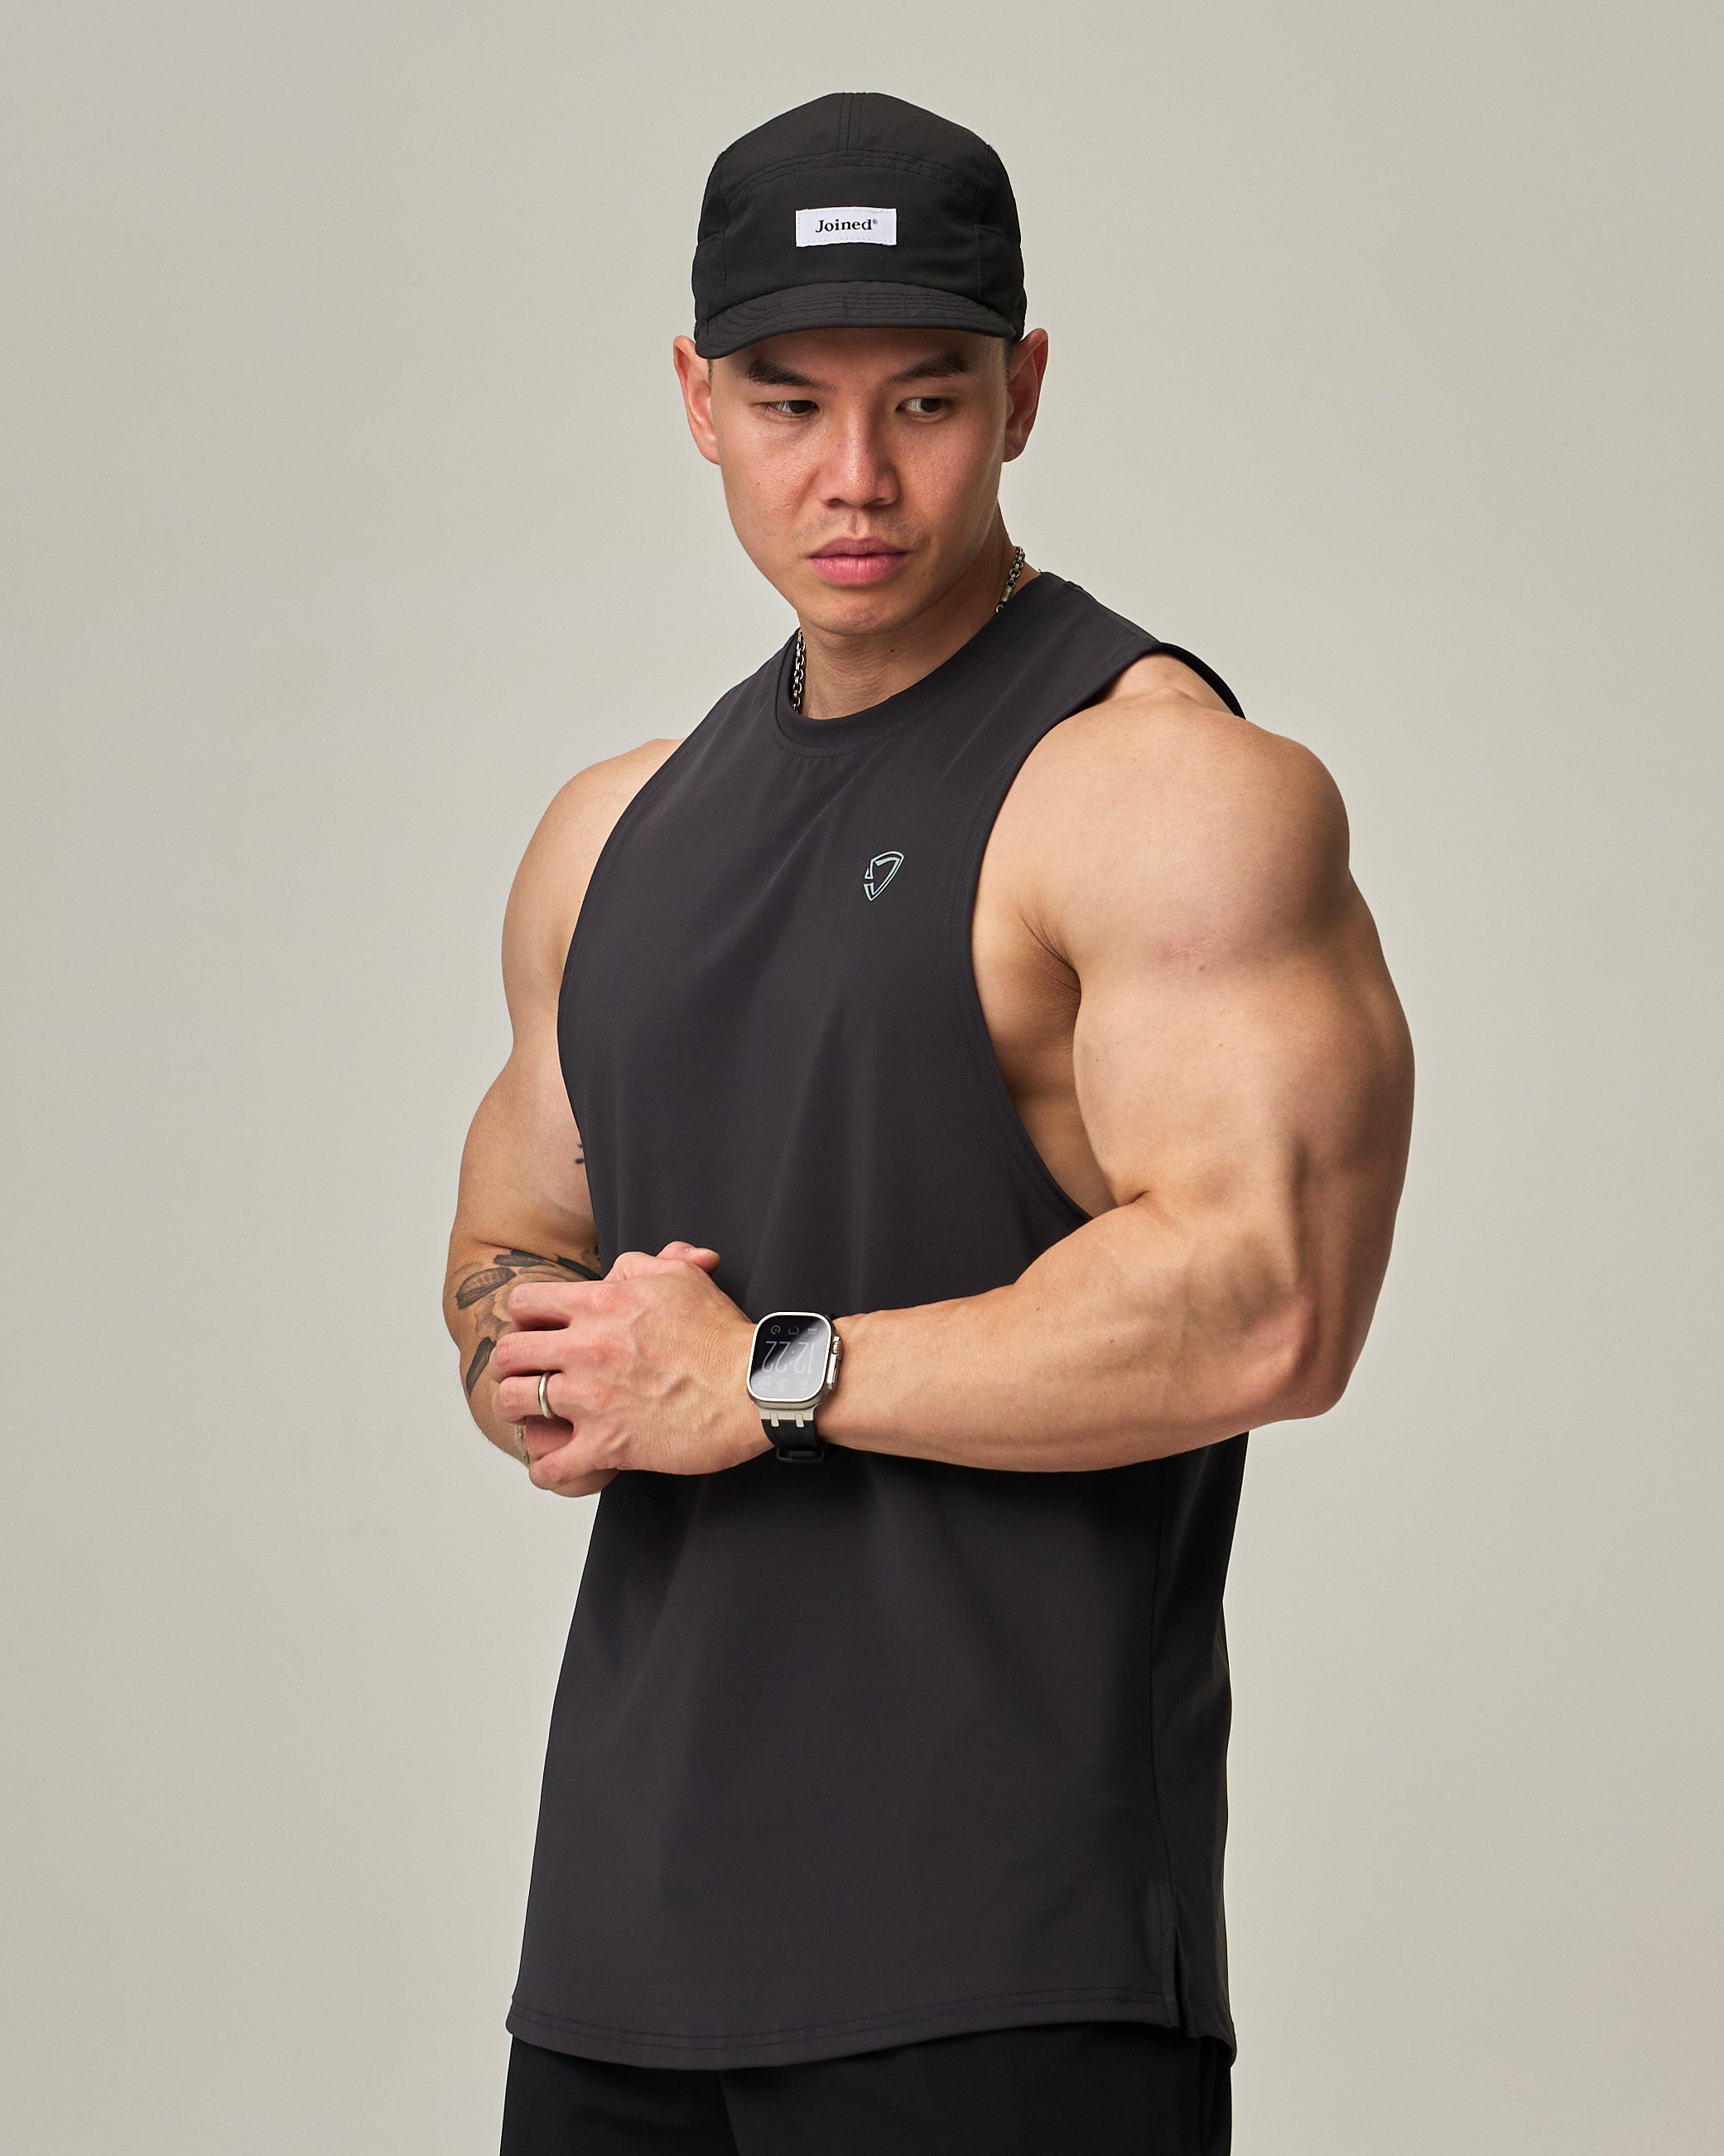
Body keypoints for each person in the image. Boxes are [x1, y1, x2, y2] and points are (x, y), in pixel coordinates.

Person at [445, 90, 1413, 2156]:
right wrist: (534, 1357)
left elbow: (1270, 1307)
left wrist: (764, 1378)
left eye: (928, 403)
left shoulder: (1161, 791)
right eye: (789, 405)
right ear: (696, 401)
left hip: (1002, 1961)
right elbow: (511, 1241)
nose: (857, 477)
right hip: (619, 1955)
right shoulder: (613, 832)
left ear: (1024, 393)